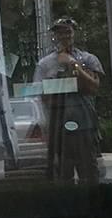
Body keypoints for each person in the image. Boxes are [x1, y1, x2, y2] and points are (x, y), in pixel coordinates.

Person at [32, 16, 103, 185]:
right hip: (58, 129)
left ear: (74, 33)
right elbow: (39, 95)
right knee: (62, 177)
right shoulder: (45, 64)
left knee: (89, 174)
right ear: (55, 36)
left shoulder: (88, 59)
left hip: (85, 125)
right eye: (60, 33)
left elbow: (94, 87)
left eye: (68, 32)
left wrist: (74, 66)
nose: (65, 36)